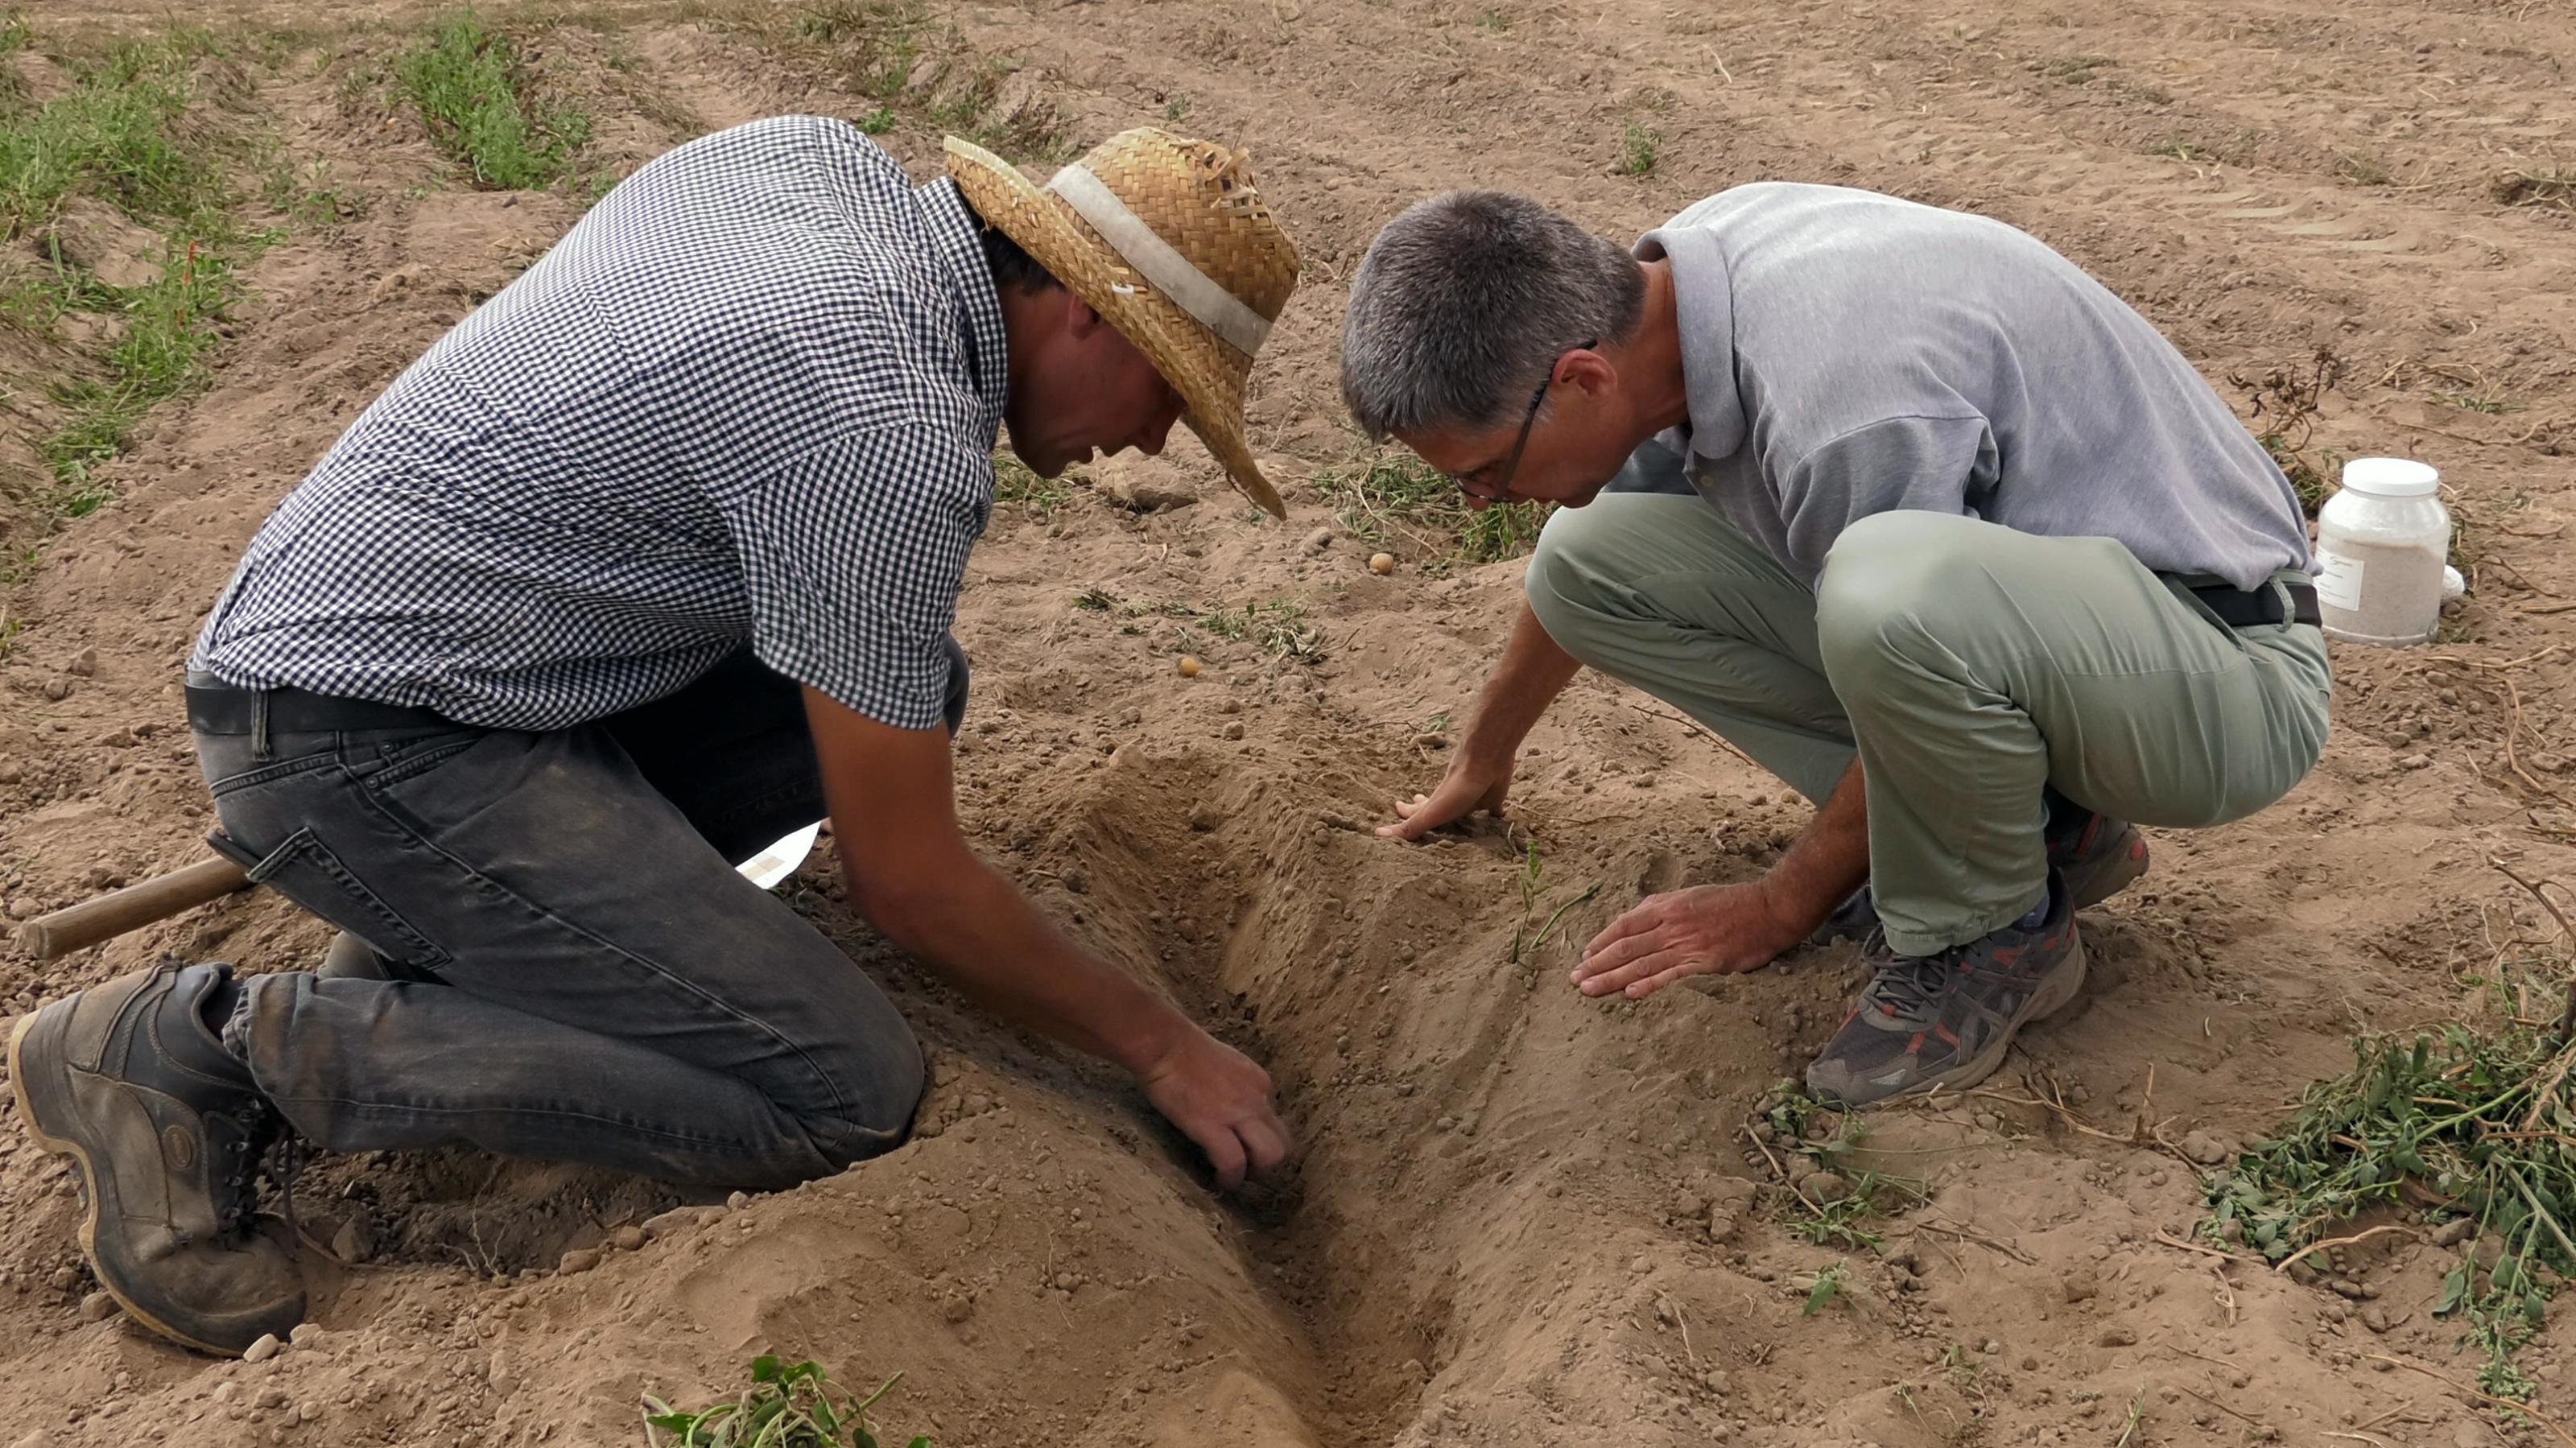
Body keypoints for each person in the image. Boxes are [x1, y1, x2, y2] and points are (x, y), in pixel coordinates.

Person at [7, 116, 1302, 1356]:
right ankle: (202, 1047)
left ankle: (436, 934)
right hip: (353, 736)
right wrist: (1163, 1044)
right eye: (1167, 392)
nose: (1147, 440)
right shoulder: (886, 427)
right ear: (1083, 305)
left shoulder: (808, 164)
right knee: (843, 1088)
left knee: (913, 687)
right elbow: (910, 882)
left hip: (394, 649)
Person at [1340, 183, 2329, 1110]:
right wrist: (1484, 754)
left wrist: (1776, 906)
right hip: (2070, 644)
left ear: (1581, 379)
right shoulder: (1669, 301)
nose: (1476, 501)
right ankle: (2047, 826)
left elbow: (1902, 636)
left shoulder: (1841, 407)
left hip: (2220, 676)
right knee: (1585, 560)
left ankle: (1992, 932)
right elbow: (1588, 585)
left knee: (1881, 593)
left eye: (1480, 471)